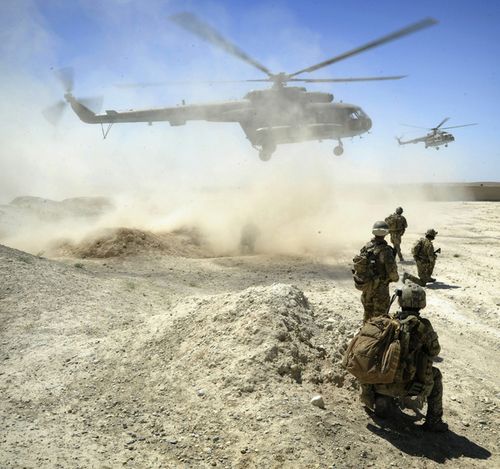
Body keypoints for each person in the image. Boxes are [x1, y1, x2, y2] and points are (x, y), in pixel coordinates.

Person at [369, 282, 448, 432]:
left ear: (401, 301)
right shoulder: (423, 326)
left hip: (382, 381)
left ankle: (381, 399)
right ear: (422, 303)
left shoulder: (387, 321)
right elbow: (434, 351)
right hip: (409, 386)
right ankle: (434, 421)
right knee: (436, 375)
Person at [357, 221, 399, 323]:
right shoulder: (386, 251)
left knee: (367, 315)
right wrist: (394, 278)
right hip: (380, 291)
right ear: (386, 233)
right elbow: (393, 274)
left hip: (367, 288)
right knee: (380, 319)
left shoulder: (366, 247)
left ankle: (364, 336)